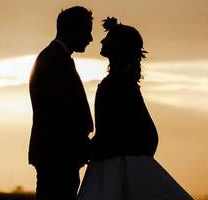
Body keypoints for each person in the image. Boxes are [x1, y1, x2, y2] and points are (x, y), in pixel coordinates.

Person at [78, 17, 193, 200]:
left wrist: (89, 148)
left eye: (109, 38)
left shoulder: (118, 82)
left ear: (118, 46)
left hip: (114, 165)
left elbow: (114, 129)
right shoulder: (122, 81)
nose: (102, 41)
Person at [29, 6, 95, 200]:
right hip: (58, 158)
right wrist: (83, 146)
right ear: (74, 29)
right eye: (87, 31)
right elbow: (60, 114)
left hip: (58, 156)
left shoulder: (54, 58)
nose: (90, 38)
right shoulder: (56, 60)